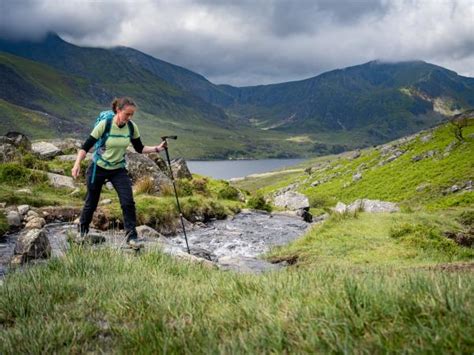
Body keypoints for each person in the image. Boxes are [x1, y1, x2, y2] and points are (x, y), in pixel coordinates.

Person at [71, 97, 167, 247]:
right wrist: (77, 164)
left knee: (128, 202)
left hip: (118, 169)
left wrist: (156, 149)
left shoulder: (131, 127)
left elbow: (139, 148)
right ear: (118, 110)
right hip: (98, 168)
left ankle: (131, 238)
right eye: (127, 114)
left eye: (132, 115)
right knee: (91, 201)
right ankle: (82, 233)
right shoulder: (105, 125)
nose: (129, 118)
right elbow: (85, 147)